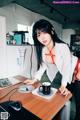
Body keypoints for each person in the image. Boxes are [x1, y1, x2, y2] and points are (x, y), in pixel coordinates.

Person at [24, 19, 80, 120]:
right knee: (65, 96)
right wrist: (34, 79)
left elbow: (67, 66)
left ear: (52, 31)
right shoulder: (44, 49)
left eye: (45, 32)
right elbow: (43, 66)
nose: (42, 37)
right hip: (66, 73)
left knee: (78, 100)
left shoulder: (62, 47)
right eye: (38, 35)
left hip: (77, 69)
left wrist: (63, 85)